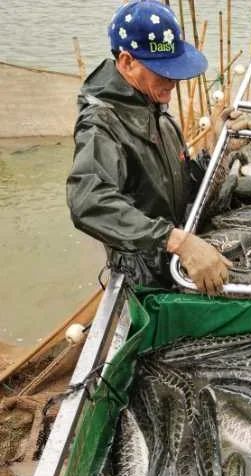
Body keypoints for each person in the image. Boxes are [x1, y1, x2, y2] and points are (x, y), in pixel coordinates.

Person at [67, 0, 231, 295]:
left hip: (177, 259)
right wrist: (175, 240)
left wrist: (221, 144)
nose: (174, 83)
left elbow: (181, 182)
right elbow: (88, 202)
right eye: (163, 71)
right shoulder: (101, 125)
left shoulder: (156, 108)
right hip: (145, 276)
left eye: (175, 71)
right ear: (127, 62)